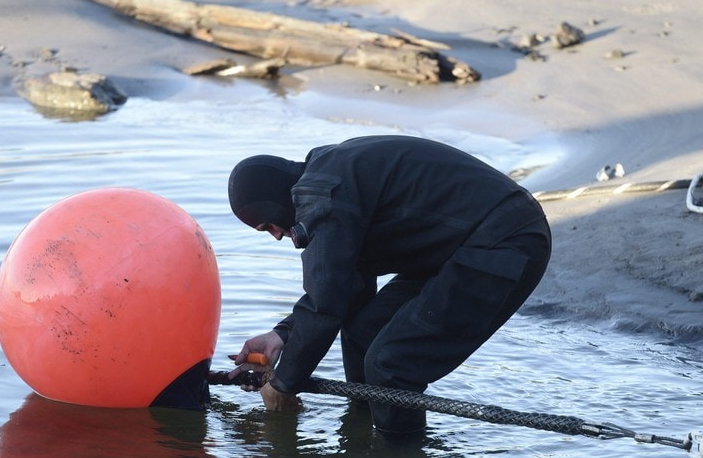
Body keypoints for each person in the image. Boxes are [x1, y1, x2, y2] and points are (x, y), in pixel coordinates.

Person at [227, 135, 552, 435]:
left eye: (267, 225)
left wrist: (283, 383)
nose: (277, 234)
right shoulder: (329, 181)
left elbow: (325, 304)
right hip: (458, 247)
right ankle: (362, 435)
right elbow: (342, 287)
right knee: (363, 333)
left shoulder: (320, 195)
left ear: (274, 202)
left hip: (506, 240)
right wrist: (282, 334)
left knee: (392, 363)